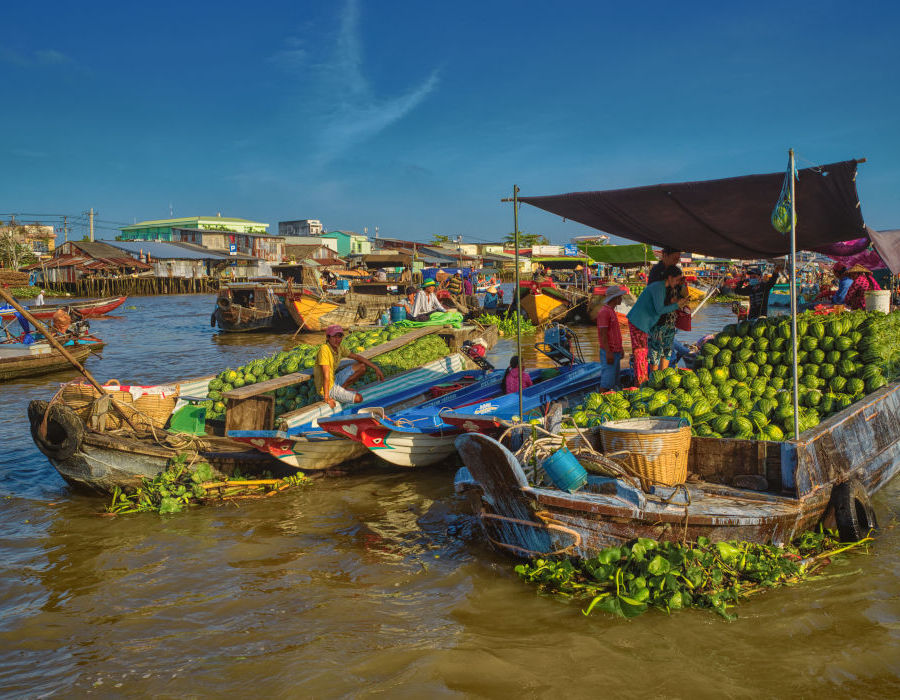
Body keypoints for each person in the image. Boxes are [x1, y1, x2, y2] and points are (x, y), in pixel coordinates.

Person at [626, 266, 686, 384]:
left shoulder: (665, 288)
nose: (678, 282)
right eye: (677, 279)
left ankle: (648, 381)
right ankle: (642, 382)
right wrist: (677, 305)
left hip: (646, 323)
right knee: (641, 352)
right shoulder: (659, 287)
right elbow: (659, 309)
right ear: (670, 277)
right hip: (639, 322)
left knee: (651, 352)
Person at [315, 325, 385, 408]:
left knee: (361, 366)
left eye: (340, 336)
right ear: (328, 337)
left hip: (334, 379)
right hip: (327, 388)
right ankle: (337, 393)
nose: (337, 340)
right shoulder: (324, 349)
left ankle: (343, 387)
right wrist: (326, 397)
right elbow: (326, 376)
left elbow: (357, 357)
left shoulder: (339, 348)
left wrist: (376, 368)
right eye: (334, 337)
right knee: (359, 398)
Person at [648, 268, 689, 371]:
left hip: (670, 324)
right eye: (677, 279)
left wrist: (683, 284)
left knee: (666, 352)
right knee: (656, 353)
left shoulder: (676, 288)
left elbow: (685, 296)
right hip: (657, 324)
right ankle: (654, 377)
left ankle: (662, 376)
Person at [596, 286, 626, 389]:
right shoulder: (604, 312)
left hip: (615, 351)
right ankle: (602, 399)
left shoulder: (611, 311)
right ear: (615, 298)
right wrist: (608, 352)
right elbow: (603, 334)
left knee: (614, 380)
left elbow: (615, 333)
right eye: (620, 297)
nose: (621, 299)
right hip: (609, 351)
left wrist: (621, 348)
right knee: (607, 382)